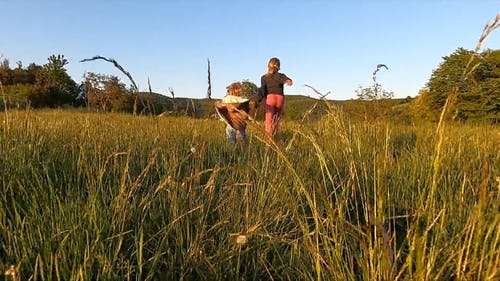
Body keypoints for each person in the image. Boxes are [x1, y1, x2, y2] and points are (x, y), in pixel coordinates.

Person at [259, 57, 293, 142]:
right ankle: (275, 139)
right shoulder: (281, 76)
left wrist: (258, 100)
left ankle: (269, 142)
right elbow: (289, 81)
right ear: (279, 66)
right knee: (276, 121)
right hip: (280, 99)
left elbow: (263, 90)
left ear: (268, 65)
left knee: (268, 122)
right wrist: (288, 81)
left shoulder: (264, 77)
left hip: (270, 99)